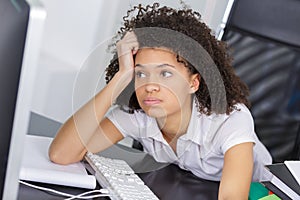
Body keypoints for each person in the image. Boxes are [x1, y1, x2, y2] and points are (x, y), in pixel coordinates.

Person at [49, 2, 272, 199]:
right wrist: (120, 78)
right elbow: (62, 154)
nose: (150, 86)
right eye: (141, 74)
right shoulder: (139, 116)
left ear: (193, 83)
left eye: (165, 73)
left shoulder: (229, 120)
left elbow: (233, 197)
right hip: (191, 185)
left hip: (265, 192)